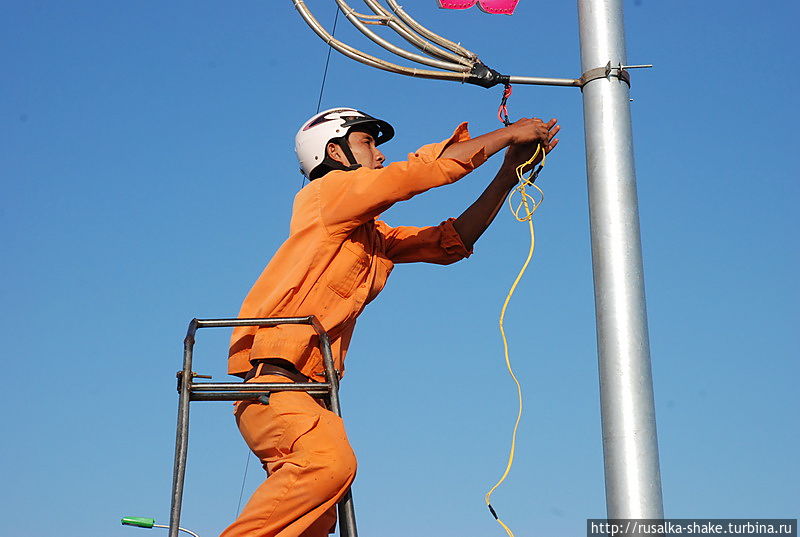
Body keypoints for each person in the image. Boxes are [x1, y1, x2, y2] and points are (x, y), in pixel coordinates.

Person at [220, 108, 559, 537]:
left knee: (318, 516)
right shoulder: (328, 194)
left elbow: (451, 242)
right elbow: (420, 173)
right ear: (335, 152)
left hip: (308, 395)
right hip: (275, 386)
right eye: (367, 143)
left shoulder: (370, 236)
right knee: (326, 464)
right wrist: (509, 134)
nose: (379, 155)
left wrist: (508, 174)